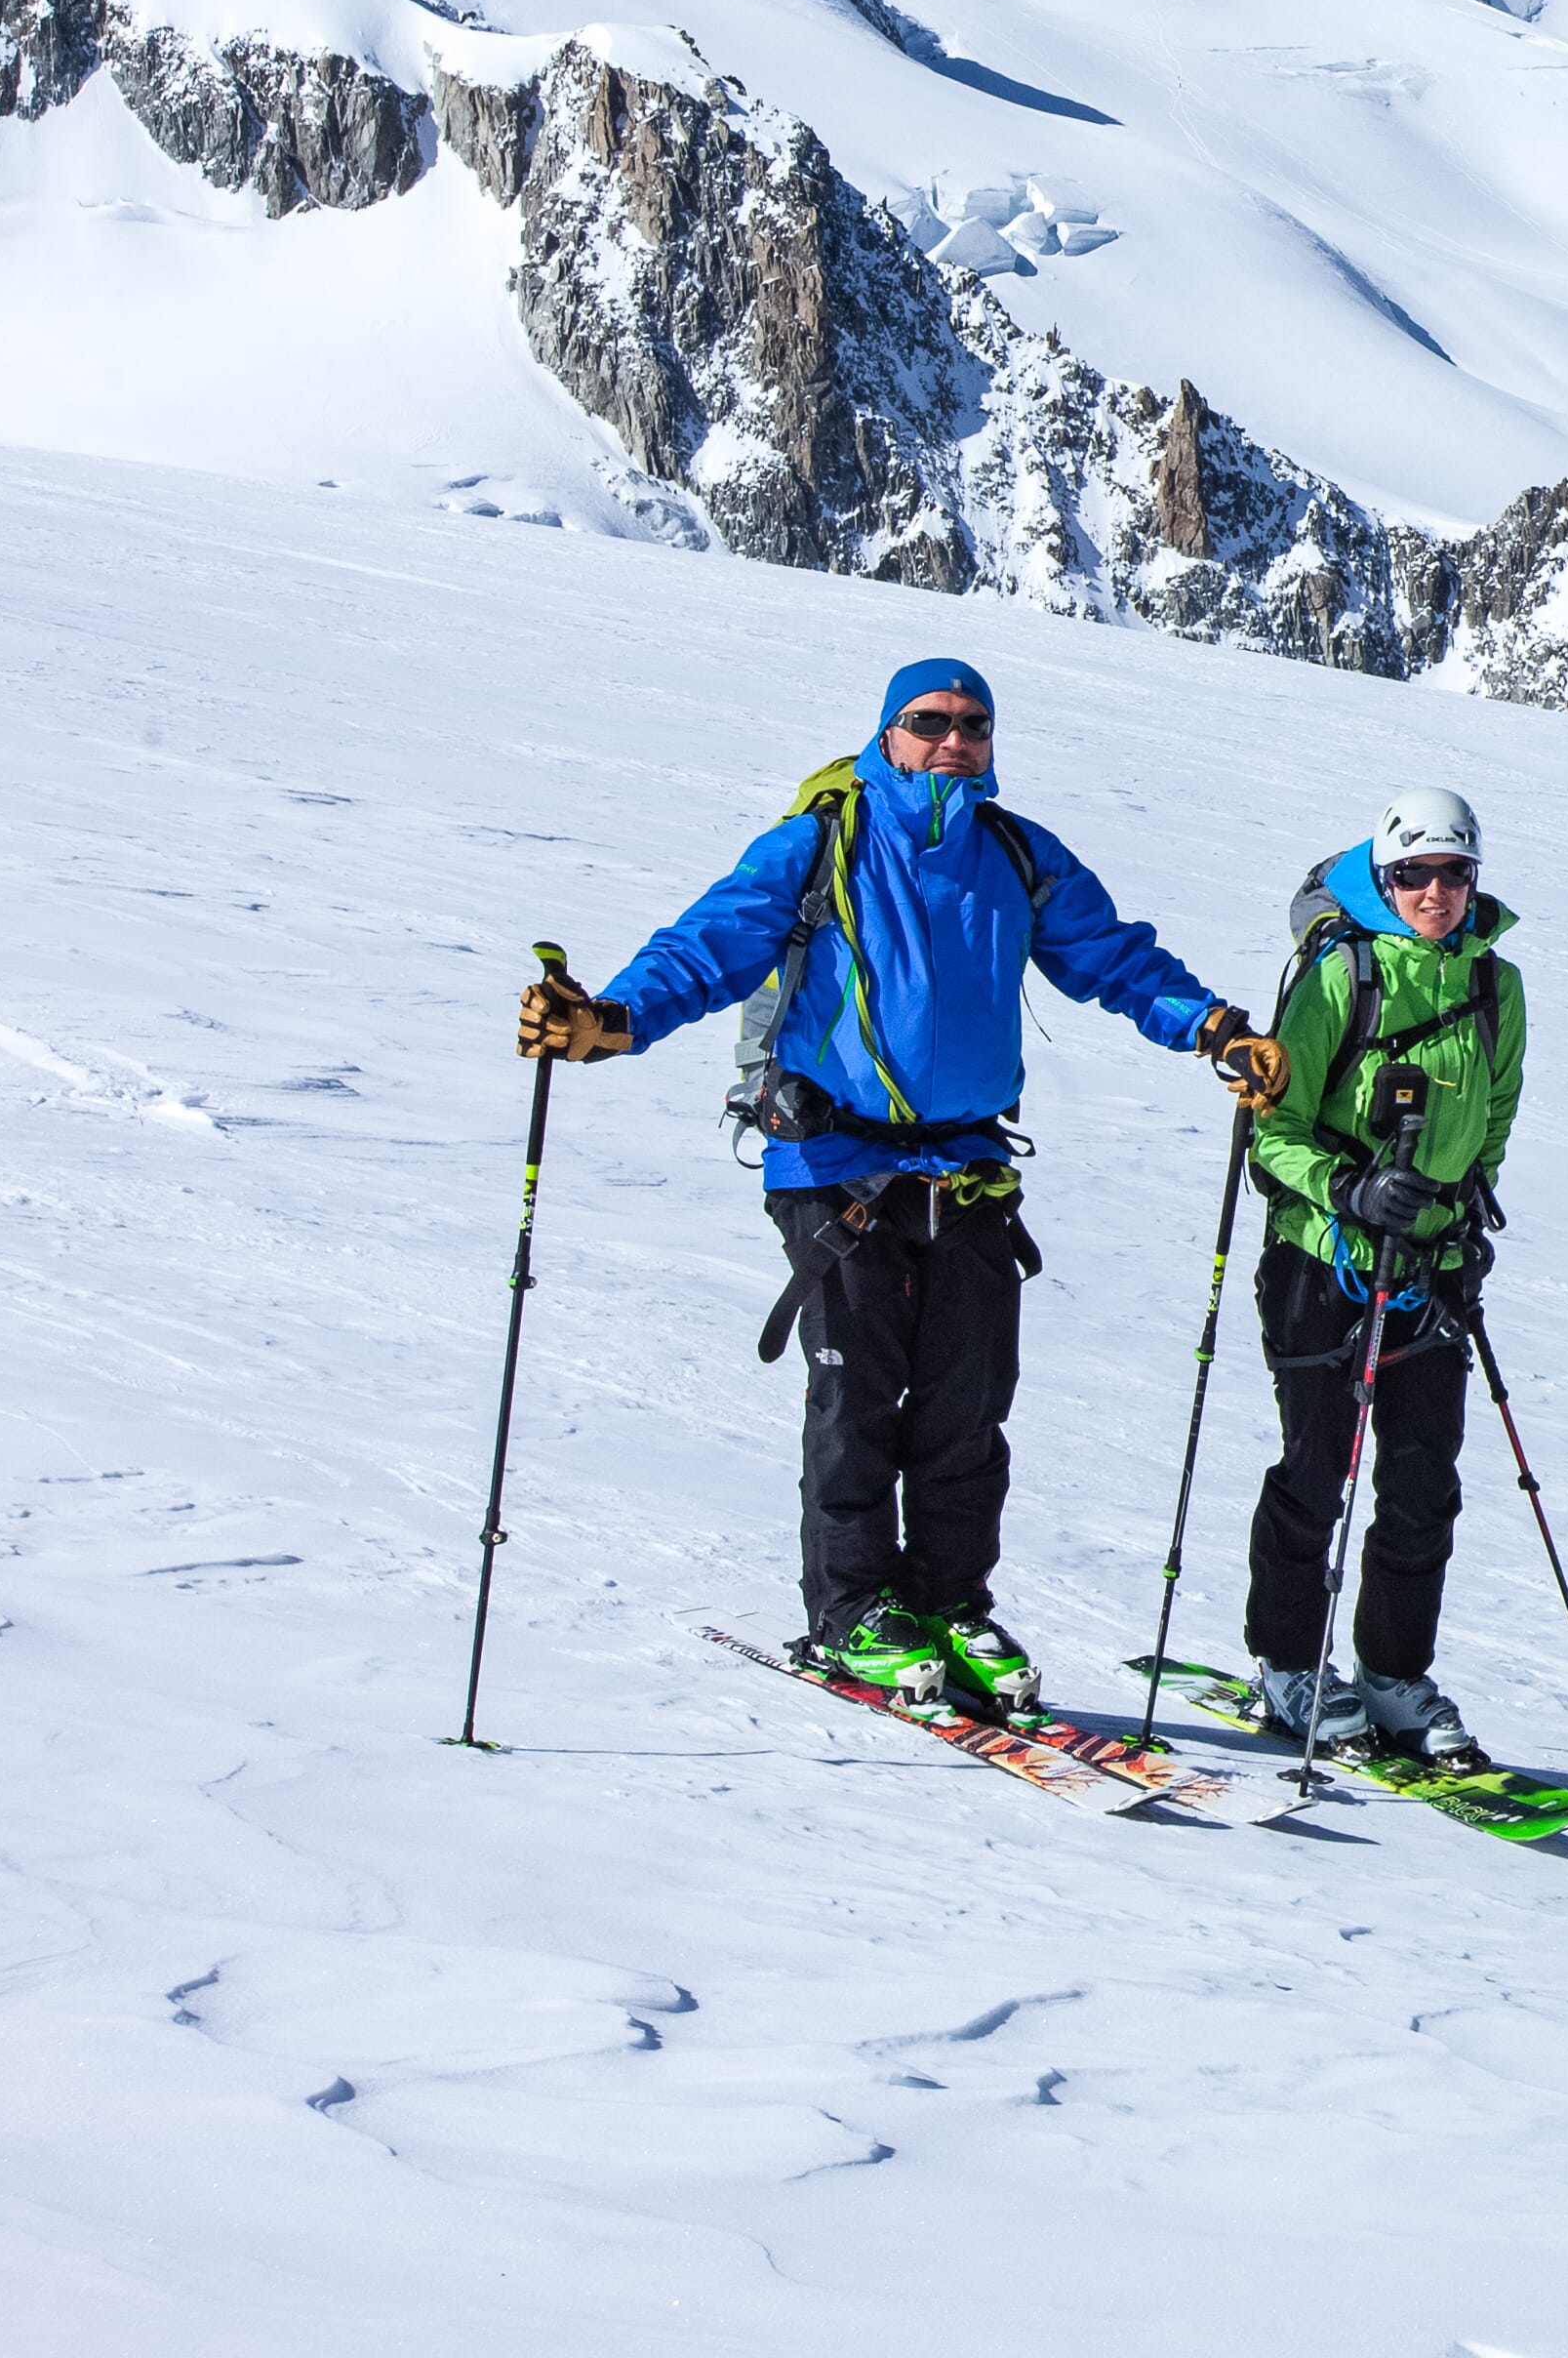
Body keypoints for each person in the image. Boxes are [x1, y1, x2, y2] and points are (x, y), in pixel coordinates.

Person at [519, 654, 1274, 1713]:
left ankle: (950, 1607)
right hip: (834, 1165)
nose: (955, 738)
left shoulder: (1014, 852)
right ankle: (852, 1612)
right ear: (888, 735)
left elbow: (1112, 959)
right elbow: (713, 945)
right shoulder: (824, 842)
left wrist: (1213, 1029)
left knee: (968, 1409)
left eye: (974, 723)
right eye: (931, 721)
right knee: (859, 1398)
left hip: (966, 1169)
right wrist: (613, 1023)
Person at [1234, 789, 1525, 1761]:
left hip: (1432, 1271)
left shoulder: (1497, 986)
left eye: (1452, 874)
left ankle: (1393, 1675)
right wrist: (1349, 1193)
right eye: (1413, 875)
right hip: (1325, 1263)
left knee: (1420, 1482)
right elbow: (1270, 1132)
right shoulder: (1338, 977)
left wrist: (1460, 1211)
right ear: (1383, 877)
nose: (1433, 892)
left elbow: (1493, 1117)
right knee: (1316, 1469)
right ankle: (1286, 1664)